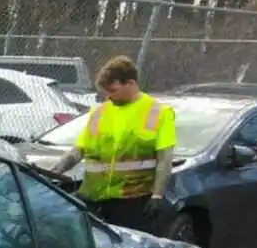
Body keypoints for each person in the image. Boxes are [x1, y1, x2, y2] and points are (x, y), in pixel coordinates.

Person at [53, 55, 175, 230]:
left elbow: (165, 159)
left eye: (114, 90)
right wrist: (54, 171)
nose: (110, 96)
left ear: (131, 83)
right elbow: (79, 150)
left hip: (133, 200)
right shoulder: (100, 112)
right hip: (93, 198)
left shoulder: (158, 113)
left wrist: (157, 196)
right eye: (106, 92)